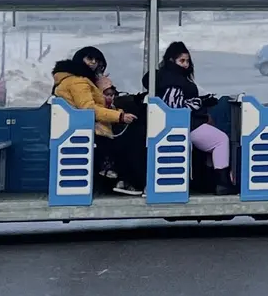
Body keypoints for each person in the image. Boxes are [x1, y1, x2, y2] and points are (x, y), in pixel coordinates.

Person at [51, 46, 140, 195]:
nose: (93, 63)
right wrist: (119, 117)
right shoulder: (78, 81)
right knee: (131, 142)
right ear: (80, 59)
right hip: (90, 131)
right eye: (89, 58)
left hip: (80, 128)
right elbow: (88, 108)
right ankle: (126, 181)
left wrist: (118, 113)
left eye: (96, 60)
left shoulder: (73, 79)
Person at [150, 42, 235, 194]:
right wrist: (198, 103)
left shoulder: (166, 78)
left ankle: (213, 181)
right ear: (172, 61)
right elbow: (175, 107)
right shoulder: (174, 82)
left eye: (187, 61)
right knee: (221, 140)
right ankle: (223, 182)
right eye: (181, 61)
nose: (186, 65)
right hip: (184, 125)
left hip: (180, 125)